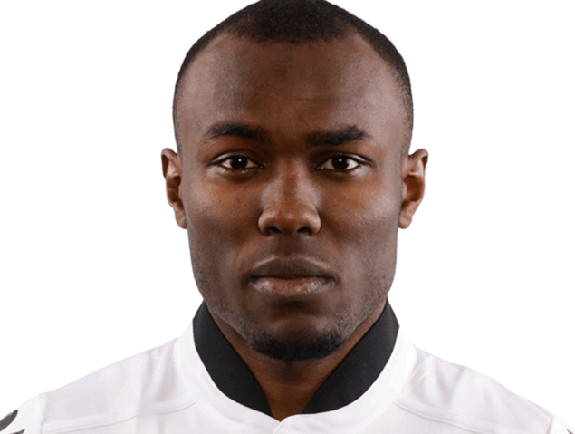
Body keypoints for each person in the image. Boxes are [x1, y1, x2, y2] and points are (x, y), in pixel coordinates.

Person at [2, 0, 572, 432]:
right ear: (176, 189)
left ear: (409, 189)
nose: (290, 212)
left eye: (342, 162)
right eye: (238, 162)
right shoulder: (54, 427)